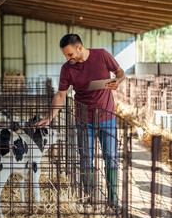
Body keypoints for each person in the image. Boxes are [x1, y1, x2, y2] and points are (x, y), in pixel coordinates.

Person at [35, 34, 125, 208]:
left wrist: (118, 81)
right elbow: (61, 94)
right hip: (84, 120)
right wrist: (49, 118)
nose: (68, 59)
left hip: (107, 117)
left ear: (80, 48)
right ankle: (89, 197)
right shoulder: (67, 69)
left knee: (111, 158)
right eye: (65, 56)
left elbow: (120, 72)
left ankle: (113, 200)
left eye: (70, 54)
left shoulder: (102, 55)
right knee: (85, 159)